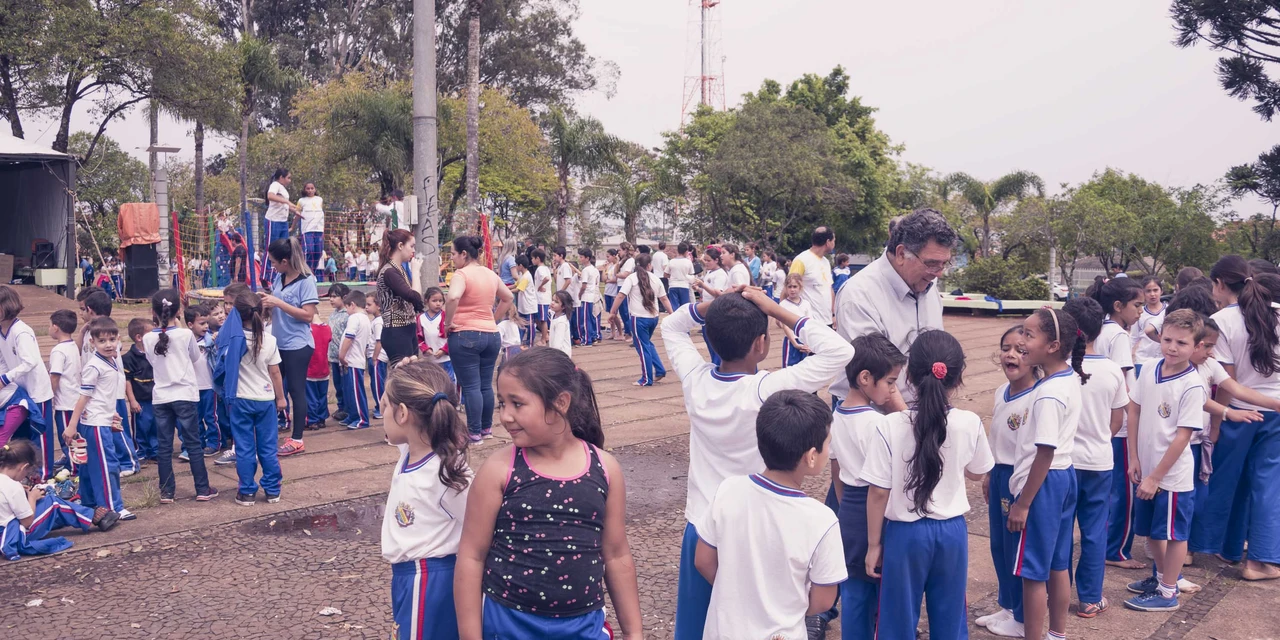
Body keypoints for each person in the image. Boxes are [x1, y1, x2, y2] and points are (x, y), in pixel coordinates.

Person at [661, 289, 853, 640]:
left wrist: (716, 307)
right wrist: (773, 308)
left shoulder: (695, 381)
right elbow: (841, 351)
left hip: (703, 526)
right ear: (761, 344)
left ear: (712, 339)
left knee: (696, 625)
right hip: (762, 529)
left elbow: (672, 326)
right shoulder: (765, 390)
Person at [454, 348, 642, 640]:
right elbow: (471, 556)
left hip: (583, 627)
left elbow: (616, 555)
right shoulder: (499, 470)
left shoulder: (606, 469)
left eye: (517, 404)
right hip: (508, 625)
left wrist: (634, 632)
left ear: (561, 402)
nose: (505, 416)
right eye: (502, 403)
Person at [861, 330, 993, 640]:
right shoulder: (969, 422)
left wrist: (872, 546)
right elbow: (977, 472)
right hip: (951, 533)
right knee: (950, 620)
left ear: (909, 376)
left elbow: (879, 491)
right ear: (958, 377)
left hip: (905, 535)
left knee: (896, 620)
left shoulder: (889, 425)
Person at [695, 390, 846, 639]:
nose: (830, 449)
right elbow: (824, 599)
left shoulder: (728, 489)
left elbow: (702, 560)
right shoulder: (822, 520)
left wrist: (739, 598)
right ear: (810, 457)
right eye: (828, 443)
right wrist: (783, 608)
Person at [1194, 255, 1280, 580]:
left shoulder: (1221, 321)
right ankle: (1260, 559)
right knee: (1267, 483)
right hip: (1275, 409)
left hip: (1239, 412)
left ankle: (1215, 545)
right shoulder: (1275, 312)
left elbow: (1225, 381)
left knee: (1225, 479)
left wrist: (1217, 424)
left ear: (1218, 284)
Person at [1120, 309, 1206, 612]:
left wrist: (1156, 476)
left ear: (1196, 347)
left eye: (1182, 343)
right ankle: (1160, 575)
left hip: (1171, 476)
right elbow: (1134, 410)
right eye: (1167, 339)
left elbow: (1183, 436)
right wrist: (1133, 457)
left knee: (1172, 533)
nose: (1172, 347)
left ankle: (1169, 591)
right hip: (1145, 467)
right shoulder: (1152, 367)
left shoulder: (1192, 385)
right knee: (1150, 532)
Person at [380, 359, 471, 640]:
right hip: (411, 577)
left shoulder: (447, 471)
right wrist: (408, 364)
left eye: (384, 406)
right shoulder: (411, 452)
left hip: (429, 577)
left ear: (403, 413)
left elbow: (480, 524)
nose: (380, 413)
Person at [1011, 308, 1085, 640]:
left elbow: (1045, 451)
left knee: (1033, 573)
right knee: (1057, 565)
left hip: (1043, 484)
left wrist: (1023, 504)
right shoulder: (1067, 377)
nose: (1020, 341)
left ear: (1053, 345)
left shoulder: (1049, 393)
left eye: (1028, 335)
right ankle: (1057, 635)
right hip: (1063, 477)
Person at [834, 208, 958, 403]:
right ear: (901, 254)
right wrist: (912, 427)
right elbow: (875, 377)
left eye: (944, 264)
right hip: (874, 419)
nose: (939, 273)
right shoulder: (859, 294)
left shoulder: (929, 285)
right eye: (932, 263)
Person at [830, 333, 906, 639]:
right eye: (890, 381)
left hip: (848, 507)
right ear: (865, 378)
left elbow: (836, 471)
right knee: (881, 591)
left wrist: (845, 506)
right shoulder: (879, 424)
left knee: (853, 591)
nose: (892, 390)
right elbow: (885, 482)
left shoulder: (836, 416)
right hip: (876, 511)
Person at [1064, 297, 1128, 620]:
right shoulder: (1113, 370)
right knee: (1094, 532)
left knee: (1060, 531)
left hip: (1062, 464)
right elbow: (1117, 421)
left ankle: (1054, 595)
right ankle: (1089, 598)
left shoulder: (1056, 370)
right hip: (1099, 463)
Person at [975, 325, 1037, 636]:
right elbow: (997, 435)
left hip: (1019, 476)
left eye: (1021, 350)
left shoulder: (1037, 396)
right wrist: (988, 472)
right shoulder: (1002, 391)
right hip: (999, 472)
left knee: (1017, 547)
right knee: (999, 545)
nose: (1011, 354)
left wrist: (1023, 495)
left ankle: (1024, 617)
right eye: (1006, 348)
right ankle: (1008, 606)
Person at [1090, 277, 1146, 569]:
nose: (1140, 311)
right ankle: (1117, 550)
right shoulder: (1119, 336)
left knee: (1107, 491)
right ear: (1118, 306)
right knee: (1124, 491)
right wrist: (1135, 413)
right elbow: (1126, 381)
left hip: (1101, 416)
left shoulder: (1098, 329)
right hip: (1121, 423)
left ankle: (1107, 544)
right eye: (1137, 305)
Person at [144, 289, 217, 503]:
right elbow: (195, 357)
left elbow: (151, 361)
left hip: (161, 397)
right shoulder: (185, 334)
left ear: (153, 311)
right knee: (193, 443)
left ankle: (167, 492)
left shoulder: (148, 338)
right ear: (179, 311)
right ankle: (202, 489)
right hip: (185, 394)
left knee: (164, 446)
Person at [445, 236, 514, 443]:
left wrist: (448, 322)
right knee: (485, 385)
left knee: (471, 386)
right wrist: (493, 319)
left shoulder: (461, 274)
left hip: (465, 334)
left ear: (464, 254)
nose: (452, 259)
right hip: (491, 335)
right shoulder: (490, 274)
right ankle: (486, 429)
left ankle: (474, 432)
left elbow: (453, 297)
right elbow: (508, 297)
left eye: (453, 254)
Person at [0, 440, 118, 560]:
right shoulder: (13, 487)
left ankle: (65, 518)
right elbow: (27, 522)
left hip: (4, 528)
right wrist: (32, 497)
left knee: (46, 505)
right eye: (27, 472)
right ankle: (94, 516)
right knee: (53, 503)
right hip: (15, 535)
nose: (26, 476)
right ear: (23, 467)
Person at [260, 237, 320, 458]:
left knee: (296, 390)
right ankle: (270, 431)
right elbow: (276, 308)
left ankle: (297, 439)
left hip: (298, 344)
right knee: (272, 387)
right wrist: (266, 304)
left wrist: (278, 303)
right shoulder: (280, 277)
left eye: (275, 262)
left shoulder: (306, 280)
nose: (273, 266)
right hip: (278, 342)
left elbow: (308, 316)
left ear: (285, 261)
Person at [225, 292, 286, 506]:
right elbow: (275, 373)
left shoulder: (231, 340)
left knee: (244, 447)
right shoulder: (270, 340)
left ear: (236, 313)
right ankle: (272, 491)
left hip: (240, 399)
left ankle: (247, 491)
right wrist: (281, 398)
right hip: (265, 399)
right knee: (268, 447)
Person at [63, 317, 127, 520]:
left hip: (101, 419)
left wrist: (112, 413)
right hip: (95, 424)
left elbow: (103, 393)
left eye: (111, 339)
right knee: (106, 466)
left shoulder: (111, 360)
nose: (108, 344)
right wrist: (71, 426)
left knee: (91, 467)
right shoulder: (94, 366)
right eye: (102, 341)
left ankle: (91, 504)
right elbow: (84, 397)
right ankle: (112, 507)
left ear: (118, 339)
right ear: (92, 342)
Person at [0, 286, 54, 479]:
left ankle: (45, 476)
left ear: (6, 307)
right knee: (21, 438)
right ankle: (26, 474)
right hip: (18, 392)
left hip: (37, 391)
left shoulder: (21, 331)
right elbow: (3, 361)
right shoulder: (2, 331)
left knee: (40, 435)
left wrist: (5, 379)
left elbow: (30, 361)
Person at [612, 253, 672, 387]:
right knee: (647, 344)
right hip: (653, 318)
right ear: (649, 265)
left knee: (642, 347)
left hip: (638, 319)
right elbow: (664, 299)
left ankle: (646, 379)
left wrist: (612, 312)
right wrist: (671, 313)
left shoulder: (631, 278)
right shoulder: (656, 279)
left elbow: (621, 296)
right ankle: (660, 369)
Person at [47, 310, 81, 471]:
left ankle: (75, 468)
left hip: (64, 402)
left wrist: (50, 397)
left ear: (55, 327)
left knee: (66, 436)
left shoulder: (58, 351)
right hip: (75, 398)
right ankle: (72, 464)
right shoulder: (73, 346)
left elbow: (55, 376)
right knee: (75, 436)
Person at [185, 305, 221, 453]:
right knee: (196, 418)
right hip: (192, 387)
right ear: (190, 325)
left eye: (207, 323)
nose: (206, 326)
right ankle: (198, 442)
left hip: (208, 386)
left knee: (211, 417)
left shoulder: (210, 340)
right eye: (201, 323)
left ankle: (214, 443)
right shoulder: (185, 341)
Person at [122, 318, 158, 465]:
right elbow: (127, 380)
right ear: (139, 337)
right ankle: (141, 451)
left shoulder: (155, 353)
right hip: (140, 400)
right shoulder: (129, 358)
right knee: (141, 427)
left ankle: (155, 451)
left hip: (155, 398)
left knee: (156, 426)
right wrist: (132, 400)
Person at [339, 291, 373, 430]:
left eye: (346, 307)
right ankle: (353, 415)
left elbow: (349, 337)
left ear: (352, 305)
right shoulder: (365, 318)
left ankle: (362, 419)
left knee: (355, 391)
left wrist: (342, 355)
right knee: (350, 391)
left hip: (352, 360)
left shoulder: (355, 318)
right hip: (354, 360)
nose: (346, 311)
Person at [790, 227, 837, 327]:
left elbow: (829, 289)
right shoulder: (801, 260)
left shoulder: (826, 262)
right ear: (828, 242)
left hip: (827, 321)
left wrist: (833, 314)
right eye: (834, 240)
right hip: (809, 322)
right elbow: (788, 287)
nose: (834, 243)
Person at [263, 168, 299, 282]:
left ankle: (278, 277)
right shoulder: (275, 184)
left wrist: (296, 211)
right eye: (288, 177)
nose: (289, 180)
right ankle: (266, 276)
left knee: (284, 248)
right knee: (271, 248)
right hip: (273, 220)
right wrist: (286, 202)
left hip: (283, 222)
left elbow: (285, 205)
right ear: (281, 177)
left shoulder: (284, 190)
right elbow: (270, 196)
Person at [326, 283, 352, 424]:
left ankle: (348, 409)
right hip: (333, 357)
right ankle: (341, 407)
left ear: (344, 297)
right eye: (330, 296)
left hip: (344, 358)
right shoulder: (333, 314)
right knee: (337, 385)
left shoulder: (348, 315)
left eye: (334, 297)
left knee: (345, 384)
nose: (331, 299)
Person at [419, 287, 453, 381]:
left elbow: (452, 336)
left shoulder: (446, 316)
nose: (438, 303)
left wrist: (444, 350)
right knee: (434, 383)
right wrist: (425, 349)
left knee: (449, 382)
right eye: (434, 301)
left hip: (446, 359)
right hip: (431, 360)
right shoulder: (420, 318)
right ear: (426, 301)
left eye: (440, 300)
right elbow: (419, 338)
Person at [778, 274, 811, 368]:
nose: (792, 289)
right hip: (791, 341)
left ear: (800, 287)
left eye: (795, 286)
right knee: (789, 368)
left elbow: (809, 324)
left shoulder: (806, 304)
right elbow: (785, 326)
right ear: (786, 288)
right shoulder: (783, 305)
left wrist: (808, 343)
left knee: (805, 368)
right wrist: (795, 344)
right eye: (789, 287)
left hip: (804, 341)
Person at [304, 318, 332, 431]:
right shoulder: (327, 328)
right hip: (323, 367)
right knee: (322, 396)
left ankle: (312, 420)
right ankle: (322, 418)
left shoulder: (308, 329)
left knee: (310, 397)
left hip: (310, 368)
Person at [1132, 276, 1166, 367]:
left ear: (1161, 291)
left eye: (1155, 290)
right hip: (1143, 360)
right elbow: (1133, 337)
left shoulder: (1169, 310)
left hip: (1164, 360)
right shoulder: (1139, 312)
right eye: (1148, 291)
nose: (1152, 294)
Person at [553, 247, 581, 344]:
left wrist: (561, 293)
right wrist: (554, 270)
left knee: (568, 317)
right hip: (561, 296)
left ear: (561, 256)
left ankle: (573, 337)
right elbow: (557, 281)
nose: (554, 258)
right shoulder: (560, 267)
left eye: (555, 255)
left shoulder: (565, 266)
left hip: (565, 297)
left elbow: (568, 281)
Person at [366, 296, 387, 420]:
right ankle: (379, 405)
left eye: (369, 304)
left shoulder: (379, 322)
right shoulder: (375, 320)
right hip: (374, 356)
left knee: (378, 384)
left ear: (378, 305)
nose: (366, 307)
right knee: (374, 383)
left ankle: (381, 408)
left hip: (378, 357)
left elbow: (379, 341)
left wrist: (374, 357)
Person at [297, 182, 325, 273]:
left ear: (315, 189)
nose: (310, 190)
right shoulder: (301, 201)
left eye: (312, 188)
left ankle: (312, 270)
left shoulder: (319, 199)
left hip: (318, 229)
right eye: (308, 188)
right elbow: (297, 214)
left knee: (318, 252)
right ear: (305, 190)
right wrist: (292, 227)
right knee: (309, 250)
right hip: (307, 230)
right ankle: (306, 270)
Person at [576, 248, 601, 346]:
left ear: (587, 258)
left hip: (587, 296)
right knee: (591, 318)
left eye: (581, 257)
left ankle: (587, 340)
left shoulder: (586, 270)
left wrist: (580, 294)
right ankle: (594, 336)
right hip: (593, 296)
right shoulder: (594, 269)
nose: (580, 259)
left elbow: (584, 285)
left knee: (585, 320)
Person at [512, 256, 538, 348]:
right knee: (521, 323)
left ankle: (530, 342)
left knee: (530, 325)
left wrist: (507, 291)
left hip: (529, 306)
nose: (516, 267)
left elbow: (518, 289)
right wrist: (505, 287)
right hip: (523, 306)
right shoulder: (522, 276)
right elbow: (515, 285)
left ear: (521, 266)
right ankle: (521, 340)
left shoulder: (526, 276)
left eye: (516, 265)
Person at [530, 249, 553, 346]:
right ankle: (546, 335)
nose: (531, 260)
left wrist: (540, 286)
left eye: (533, 258)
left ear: (538, 258)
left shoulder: (540, 269)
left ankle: (543, 340)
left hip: (542, 298)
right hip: (541, 298)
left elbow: (547, 278)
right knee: (538, 318)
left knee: (543, 320)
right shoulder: (545, 268)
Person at [667, 242, 695, 310]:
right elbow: (691, 274)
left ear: (677, 250)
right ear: (686, 251)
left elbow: (665, 274)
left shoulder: (671, 261)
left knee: (674, 306)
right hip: (684, 286)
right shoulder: (688, 262)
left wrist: (673, 275)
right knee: (685, 307)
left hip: (673, 285)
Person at [548, 290, 573, 358]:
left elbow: (557, 345)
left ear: (563, 306)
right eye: (552, 300)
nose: (552, 303)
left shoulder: (561, 322)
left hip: (561, 356)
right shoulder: (554, 314)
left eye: (556, 302)